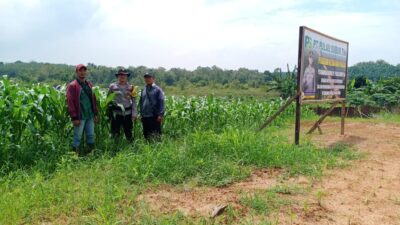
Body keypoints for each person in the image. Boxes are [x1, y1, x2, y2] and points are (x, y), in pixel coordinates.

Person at [66, 64, 98, 155]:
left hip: (90, 115)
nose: (82, 73)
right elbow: (70, 102)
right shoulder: (72, 86)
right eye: (80, 71)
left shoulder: (89, 85)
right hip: (80, 116)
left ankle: (90, 154)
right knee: (77, 137)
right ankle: (74, 156)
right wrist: (74, 117)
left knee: (91, 135)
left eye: (84, 70)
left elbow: (93, 100)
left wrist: (95, 113)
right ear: (76, 72)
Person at [108, 68, 138, 142]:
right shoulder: (112, 86)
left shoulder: (131, 87)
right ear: (118, 76)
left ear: (127, 76)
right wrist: (108, 113)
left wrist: (134, 113)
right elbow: (108, 100)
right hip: (116, 113)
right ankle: (115, 148)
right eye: (120, 75)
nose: (122, 76)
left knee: (128, 132)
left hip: (127, 114)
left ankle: (131, 148)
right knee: (115, 133)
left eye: (124, 75)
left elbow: (134, 101)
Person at [139, 72, 165, 140]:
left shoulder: (158, 89)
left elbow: (161, 102)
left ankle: (157, 148)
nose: (147, 79)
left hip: (154, 116)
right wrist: (141, 114)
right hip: (145, 116)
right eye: (146, 77)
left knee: (156, 135)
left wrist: (160, 115)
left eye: (149, 77)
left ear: (153, 78)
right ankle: (148, 148)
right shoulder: (143, 89)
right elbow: (141, 102)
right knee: (146, 134)